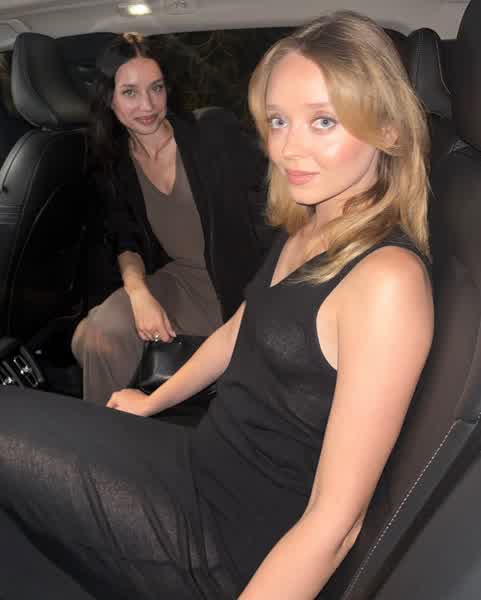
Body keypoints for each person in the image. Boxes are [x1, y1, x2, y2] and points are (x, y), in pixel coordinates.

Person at [0, 11, 433, 600]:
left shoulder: (388, 282)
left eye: (323, 121)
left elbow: (335, 524)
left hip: (227, 541)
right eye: (278, 121)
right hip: (197, 458)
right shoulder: (313, 223)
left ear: (388, 130)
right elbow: (238, 330)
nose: (287, 148)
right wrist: (153, 401)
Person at [73, 32, 271, 405]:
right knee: (98, 333)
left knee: (87, 338)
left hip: (239, 284)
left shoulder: (211, 132)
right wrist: (139, 294)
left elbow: (278, 192)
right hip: (180, 283)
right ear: (109, 99)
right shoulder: (115, 162)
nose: (147, 105)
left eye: (156, 88)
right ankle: (105, 431)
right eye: (130, 92)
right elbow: (126, 237)